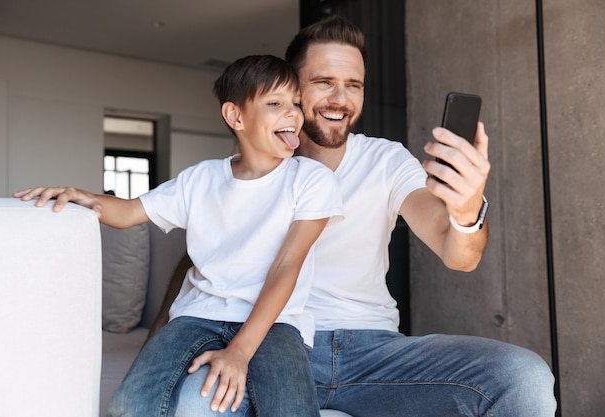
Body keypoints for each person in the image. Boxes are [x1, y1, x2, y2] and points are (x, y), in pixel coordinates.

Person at [156, 15, 557, 417]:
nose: (340, 99)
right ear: (292, 89)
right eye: (323, 82)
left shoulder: (385, 160)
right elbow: (201, 260)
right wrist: (159, 344)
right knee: (197, 404)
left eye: (354, 85)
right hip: (274, 346)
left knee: (523, 375)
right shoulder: (249, 171)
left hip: (375, 354)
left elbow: (460, 255)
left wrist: (467, 209)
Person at [15, 54, 344, 417]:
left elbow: (286, 266)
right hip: (196, 314)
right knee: (128, 405)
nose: (293, 113)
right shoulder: (200, 179)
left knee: (291, 409)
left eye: (296, 103)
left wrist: (239, 352)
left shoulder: (311, 180)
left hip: (276, 323)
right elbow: (128, 212)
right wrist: (84, 197)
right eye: (275, 103)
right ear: (235, 116)